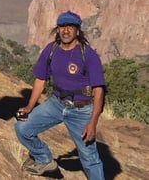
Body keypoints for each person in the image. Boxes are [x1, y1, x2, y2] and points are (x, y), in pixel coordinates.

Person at [15, 11, 105, 178]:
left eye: (70, 27)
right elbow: (40, 79)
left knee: (89, 158)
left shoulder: (88, 54)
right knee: (22, 127)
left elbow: (99, 90)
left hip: (81, 110)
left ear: (78, 31)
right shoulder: (51, 50)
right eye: (62, 26)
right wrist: (29, 107)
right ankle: (44, 159)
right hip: (56, 104)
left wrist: (92, 122)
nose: (66, 30)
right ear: (57, 30)